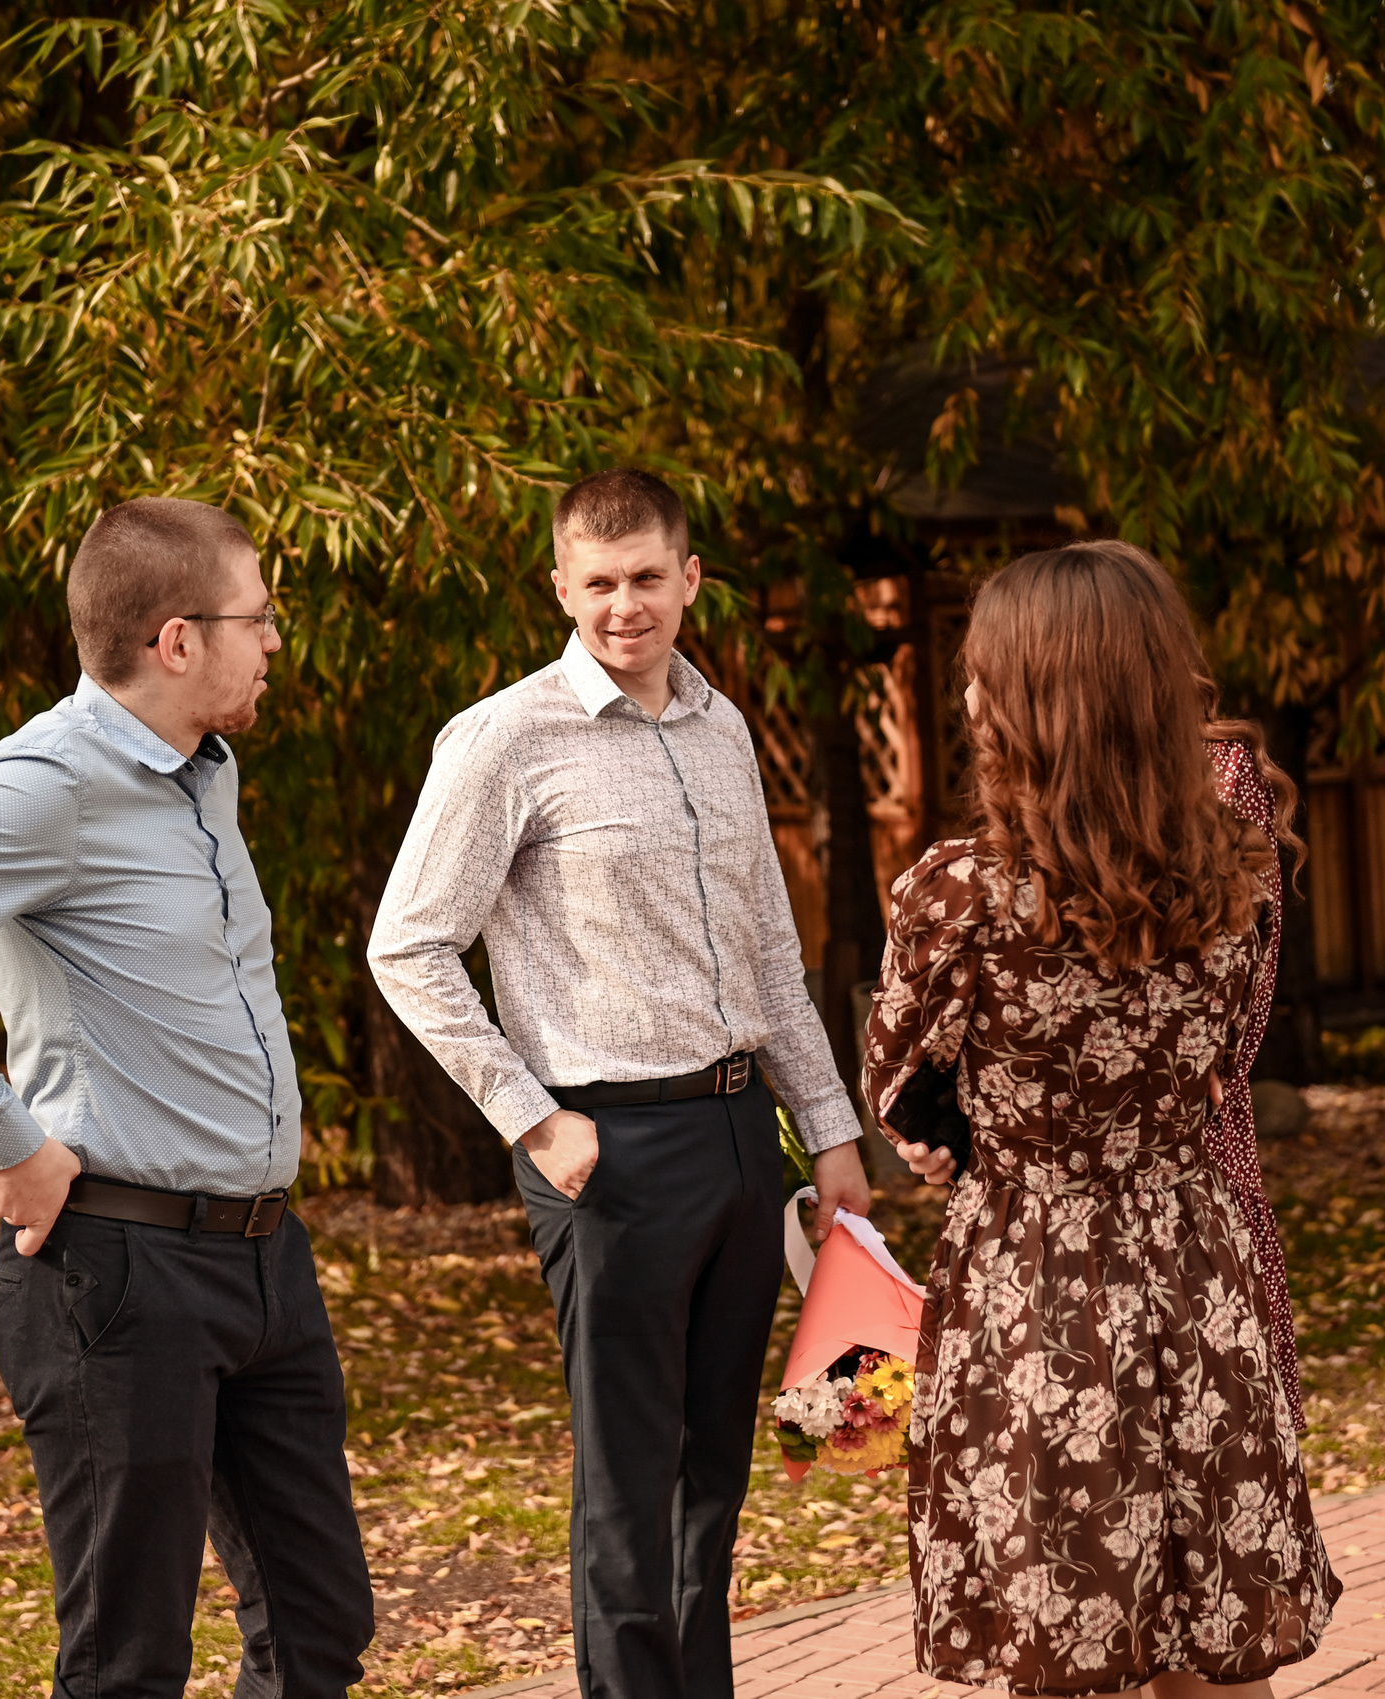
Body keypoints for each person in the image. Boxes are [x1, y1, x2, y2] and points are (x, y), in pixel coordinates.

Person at [0, 498, 372, 1699]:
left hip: (264, 1260)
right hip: (117, 1271)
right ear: (177, 639)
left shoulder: (200, 773)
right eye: (258, 617)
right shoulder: (45, 784)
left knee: (321, 1627)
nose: (273, 641)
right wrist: (4, 1138)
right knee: (128, 1664)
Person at [367, 468, 872, 1699]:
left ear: (689, 578)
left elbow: (766, 947)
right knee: (628, 1480)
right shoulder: (504, 737)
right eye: (598, 583)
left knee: (721, 1471)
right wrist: (533, 1120)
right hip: (610, 1155)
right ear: (559, 586)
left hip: (746, 1138)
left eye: (647, 577)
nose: (624, 606)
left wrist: (831, 1129)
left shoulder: (724, 727)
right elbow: (408, 946)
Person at [865, 541, 1340, 1697]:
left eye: (984, 675)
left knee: (1067, 1629)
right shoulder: (1237, 864)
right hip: (1193, 1258)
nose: (968, 697)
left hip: (1038, 1281)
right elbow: (1222, 1054)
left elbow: (896, 1073)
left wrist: (947, 1124)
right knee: (1210, 1627)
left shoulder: (956, 892)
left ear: (1038, 699)